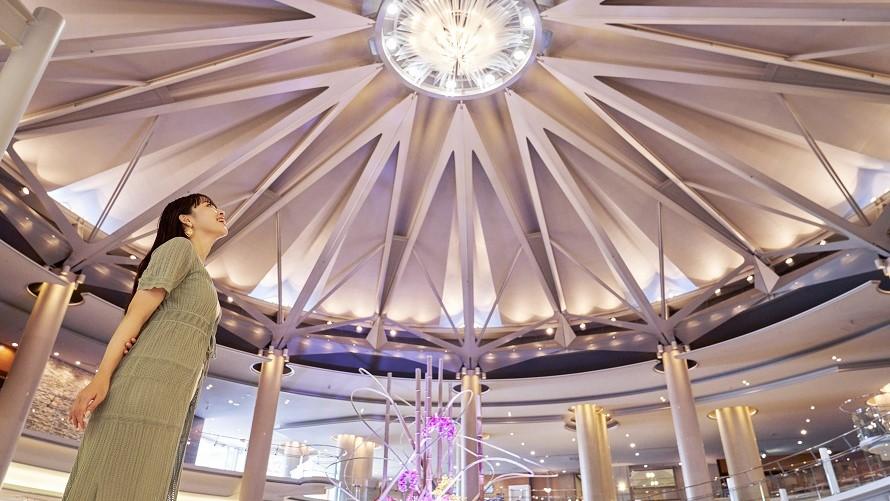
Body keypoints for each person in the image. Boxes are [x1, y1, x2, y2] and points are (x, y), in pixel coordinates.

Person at [63, 193, 227, 500]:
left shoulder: (202, 275)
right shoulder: (179, 248)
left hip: (172, 398)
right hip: (145, 387)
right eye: (209, 206)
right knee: (120, 482)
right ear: (186, 219)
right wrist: (101, 377)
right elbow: (134, 317)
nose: (221, 211)